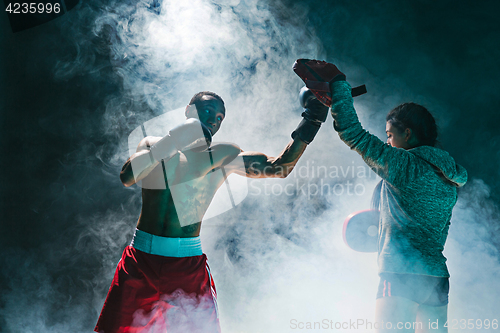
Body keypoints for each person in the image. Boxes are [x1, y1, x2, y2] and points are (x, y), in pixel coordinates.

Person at [94, 90, 329, 333]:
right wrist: (172, 142)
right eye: (207, 110)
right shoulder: (153, 145)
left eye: (219, 117)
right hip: (141, 260)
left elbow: (278, 167)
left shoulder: (222, 156)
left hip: (186, 267)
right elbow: (127, 177)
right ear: (188, 110)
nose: (213, 119)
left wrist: (312, 119)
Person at [295, 60, 467, 333]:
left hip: (400, 275)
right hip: (436, 279)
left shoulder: (403, 164)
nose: (387, 142)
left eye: (390, 135)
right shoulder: (449, 177)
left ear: (407, 134)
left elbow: (351, 132)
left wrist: (338, 85)